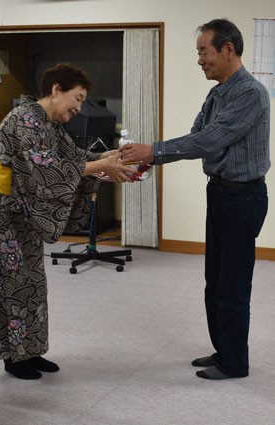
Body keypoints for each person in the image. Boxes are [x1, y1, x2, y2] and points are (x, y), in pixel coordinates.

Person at [120, 19, 270, 380]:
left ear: (228, 50)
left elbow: (210, 139)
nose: (200, 59)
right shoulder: (217, 93)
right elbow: (197, 135)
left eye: (204, 51)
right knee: (214, 281)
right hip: (219, 192)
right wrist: (151, 160)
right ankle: (224, 351)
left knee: (232, 285)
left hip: (242, 198)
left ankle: (235, 363)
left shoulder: (251, 93)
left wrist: (153, 151)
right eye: (198, 52)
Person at [0, 63, 135, 380]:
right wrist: (100, 166)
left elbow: (73, 158)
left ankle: (31, 351)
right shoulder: (24, 118)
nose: (79, 107)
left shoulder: (49, 124)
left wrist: (110, 158)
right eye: (78, 98)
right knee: (10, 283)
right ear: (57, 89)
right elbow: (45, 169)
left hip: (24, 210)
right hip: (1, 210)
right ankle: (13, 357)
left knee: (33, 282)